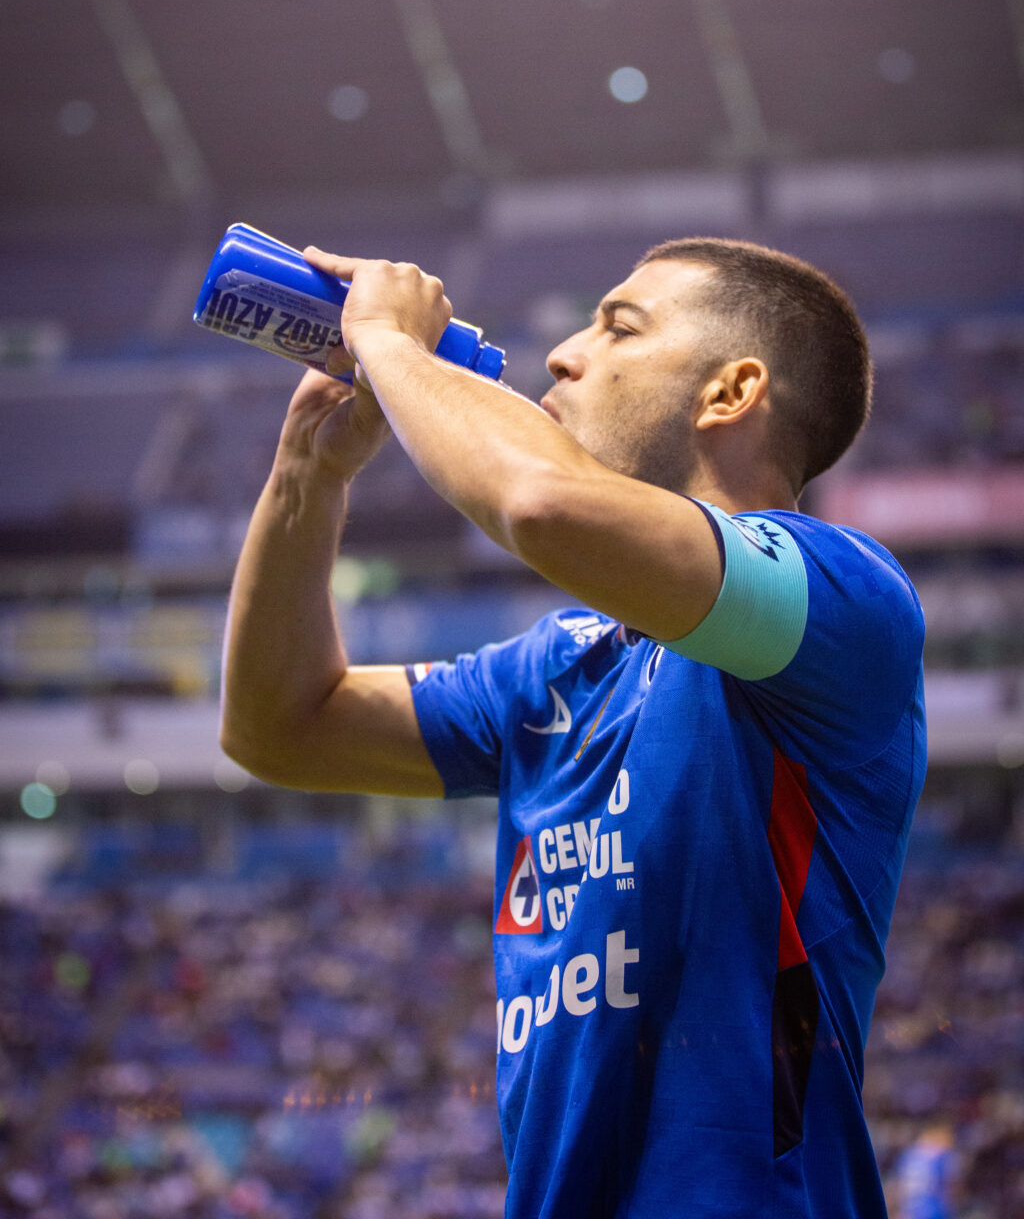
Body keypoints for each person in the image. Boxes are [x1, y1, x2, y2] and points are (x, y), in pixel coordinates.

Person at [221, 236, 927, 1219]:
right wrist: (309, 469)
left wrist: (388, 340)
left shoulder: (845, 598)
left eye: (618, 326)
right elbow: (280, 726)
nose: (561, 352)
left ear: (728, 393)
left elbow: (541, 504)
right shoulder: (554, 668)